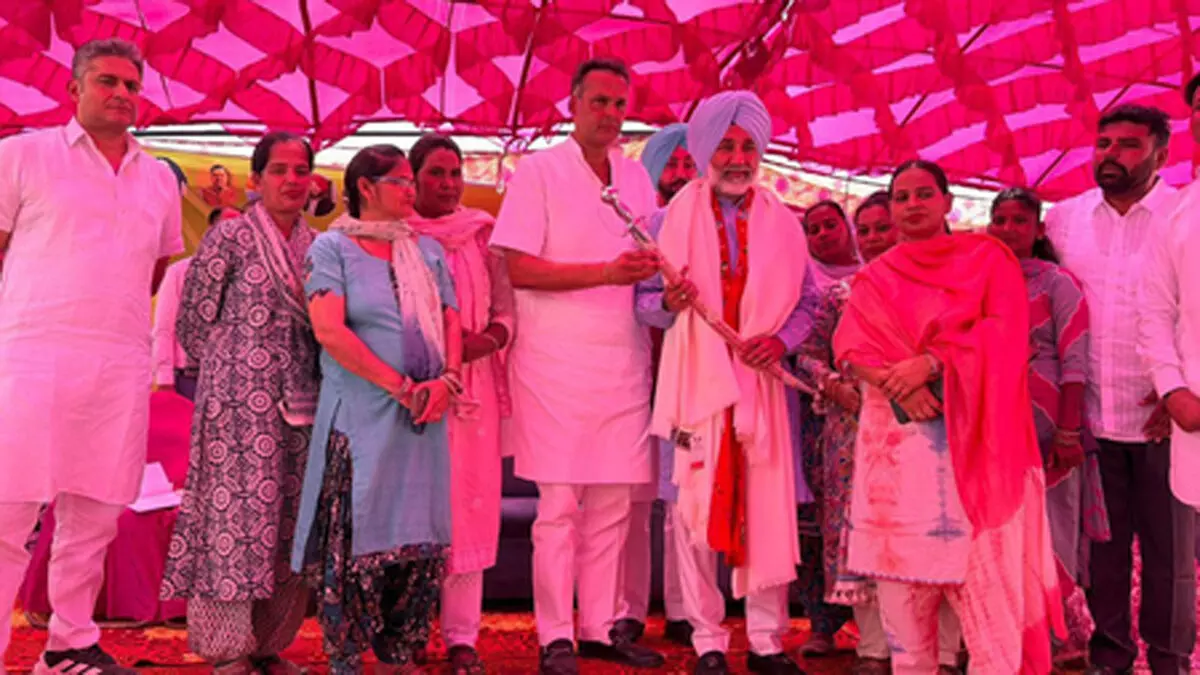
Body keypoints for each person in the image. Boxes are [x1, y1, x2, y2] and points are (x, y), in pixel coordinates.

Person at [833, 160, 1063, 674]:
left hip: (977, 457)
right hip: (896, 461)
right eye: (901, 197)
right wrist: (900, 385)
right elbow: (850, 349)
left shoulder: (987, 259)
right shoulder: (875, 277)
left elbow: (1007, 332)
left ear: (947, 202)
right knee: (906, 633)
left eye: (923, 194)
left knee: (990, 623)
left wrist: (933, 364)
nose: (912, 205)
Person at [0, 37, 183, 675]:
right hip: (31, 357)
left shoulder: (158, 178)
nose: (122, 94)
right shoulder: (22, 155)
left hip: (118, 365)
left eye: (131, 85)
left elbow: (154, 268)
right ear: (74, 89)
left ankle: (69, 645)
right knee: (8, 512)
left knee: (97, 513)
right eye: (108, 81)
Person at [488, 57, 665, 675]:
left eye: (619, 104)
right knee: (560, 507)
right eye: (599, 102)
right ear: (573, 105)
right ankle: (555, 635)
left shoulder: (637, 178)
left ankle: (599, 627)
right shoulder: (539, 171)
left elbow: (646, 262)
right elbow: (519, 269)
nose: (611, 114)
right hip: (554, 362)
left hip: (623, 359)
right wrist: (606, 273)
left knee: (614, 504)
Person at [643, 90, 811, 675]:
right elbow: (643, 304)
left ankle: (766, 640)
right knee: (689, 510)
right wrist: (670, 301)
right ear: (704, 149)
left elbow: (809, 303)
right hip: (695, 385)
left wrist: (781, 341)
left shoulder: (786, 225)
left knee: (766, 506)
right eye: (725, 145)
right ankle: (707, 641)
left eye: (748, 146)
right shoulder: (665, 221)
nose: (738, 158)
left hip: (762, 387)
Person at [292, 144, 462, 674]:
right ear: (365, 188)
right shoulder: (332, 249)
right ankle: (348, 658)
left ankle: (397, 655)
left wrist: (447, 381)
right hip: (360, 418)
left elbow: (451, 319)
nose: (412, 191)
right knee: (355, 538)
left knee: (418, 542)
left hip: (423, 419)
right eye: (401, 182)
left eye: (412, 181)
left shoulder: (426, 251)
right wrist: (399, 386)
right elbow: (329, 331)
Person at [159, 132, 321, 675]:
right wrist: (236, 370)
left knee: (289, 523)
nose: (292, 180)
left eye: (301, 171)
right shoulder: (229, 237)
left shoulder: (318, 246)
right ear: (256, 180)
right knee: (234, 522)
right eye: (279, 170)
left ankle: (269, 645)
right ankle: (227, 648)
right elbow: (192, 322)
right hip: (234, 408)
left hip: (302, 406)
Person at [1044, 104, 1196, 675]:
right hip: (1089, 420)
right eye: (1104, 143)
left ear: (1162, 154)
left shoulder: (1185, 214)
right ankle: (1110, 659)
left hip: (1167, 421)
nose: (1110, 155)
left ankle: (1170, 661)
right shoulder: (1064, 220)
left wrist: (1175, 387)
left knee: (1171, 556)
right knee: (1103, 552)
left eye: (1129, 145)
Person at [796, 191, 964, 675]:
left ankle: (945, 653)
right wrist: (834, 384)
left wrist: (912, 382)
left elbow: (962, 347)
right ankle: (872, 648)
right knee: (864, 537)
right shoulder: (841, 295)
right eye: (864, 230)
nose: (872, 238)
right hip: (854, 433)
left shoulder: (943, 286)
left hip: (930, 427)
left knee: (933, 533)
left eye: (881, 227)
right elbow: (809, 353)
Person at [988, 188, 1111, 665]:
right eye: (1000, 220)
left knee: (1053, 533)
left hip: (1050, 431)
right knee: (1001, 534)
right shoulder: (978, 281)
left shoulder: (1058, 283)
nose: (1008, 229)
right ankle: (1007, 633)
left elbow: (1075, 359)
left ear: (1039, 229)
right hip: (992, 429)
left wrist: (1068, 431)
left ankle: (1060, 638)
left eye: (1020, 220)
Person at [408, 133, 514, 674]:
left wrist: (487, 341)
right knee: (414, 509)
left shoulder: (482, 236)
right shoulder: (395, 237)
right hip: (413, 391)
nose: (448, 184)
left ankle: (462, 637)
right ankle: (407, 627)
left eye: (455, 173)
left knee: (469, 506)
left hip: (474, 390)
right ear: (412, 179)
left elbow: (508, 309)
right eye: (436, 173)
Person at [618, 122, 698, 648]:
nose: (681, 174)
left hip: (687, 383)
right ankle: (626, 612)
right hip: (629, 380)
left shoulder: (712, 229)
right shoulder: (634, 228)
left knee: (682, 496)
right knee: (629, 501)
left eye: (690, 164)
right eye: (672, 164)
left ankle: (685, 609)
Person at [791, 199, 857, 658]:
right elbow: (803, 349)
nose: (822, 235)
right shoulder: (804, 279)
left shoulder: (879, 274)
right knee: (815, 521)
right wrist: (831, 384)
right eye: (812, 230)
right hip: (815, 413)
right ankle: (820, 623)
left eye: (830, 225)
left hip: (877, 413)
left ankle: (876, 625)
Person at [152, 206, 240, 400]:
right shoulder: (179, 273)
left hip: (233, 381)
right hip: (189, 379)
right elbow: (164, 328)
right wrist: (165, 380)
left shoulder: (249, 278)